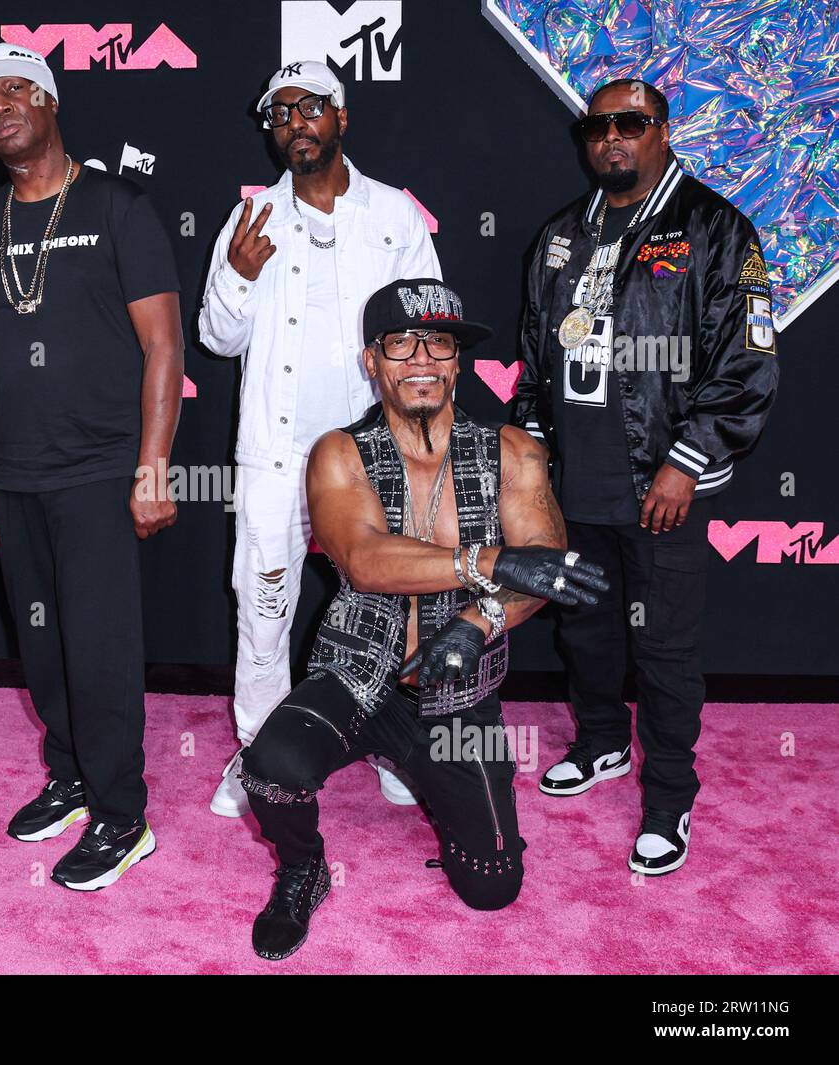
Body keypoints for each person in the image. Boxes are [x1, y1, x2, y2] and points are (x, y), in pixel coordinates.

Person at [239, 278, 609, 960]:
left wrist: (479, 622)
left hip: (459, 691)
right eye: (400, 343)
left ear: (458, 360)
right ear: (371, 361)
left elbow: (543, 570)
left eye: (438, 341)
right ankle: (302, 869)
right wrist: (492, 561)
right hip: (359, 673)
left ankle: (429, 772)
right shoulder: (338, 453)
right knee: (269, 766)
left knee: (494, 885)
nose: (420, 358)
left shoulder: (513, 451)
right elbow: (366, 559)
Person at [514, 79, 779, 875]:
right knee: (584, 629)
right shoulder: (562, 235)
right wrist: (532, 460)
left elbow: (748, 361)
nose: (611, 138)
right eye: (596, 127)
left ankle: (669, 797)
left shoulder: (713, 229)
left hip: (663, 487)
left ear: (663, 131)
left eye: (630, 123)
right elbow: (533, 357)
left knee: (661, 652)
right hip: (576, 482)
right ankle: (600, 743)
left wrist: (684, 463)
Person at [0, 43, 183, 891]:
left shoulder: (117, 205)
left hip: (102, 471)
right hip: (13, 475)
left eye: (16, 89)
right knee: (43, 647)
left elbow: (163, 343)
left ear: (49, 102)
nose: (1, 104)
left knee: (100, 648)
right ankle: (73, 774)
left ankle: (123, 815)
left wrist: (154, 466)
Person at [199, 60, 440, 817]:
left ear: (342, 115)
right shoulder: (251, 221)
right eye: (280, 114)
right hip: (274, 458)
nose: (295, 123)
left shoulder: (396, 215)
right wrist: (237, 276)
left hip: (372, 461)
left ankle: (396, 746)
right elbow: (215, 335)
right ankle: (258, 756)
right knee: (262, 611)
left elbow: (428, 332)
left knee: (390, 610)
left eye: (310, 108)